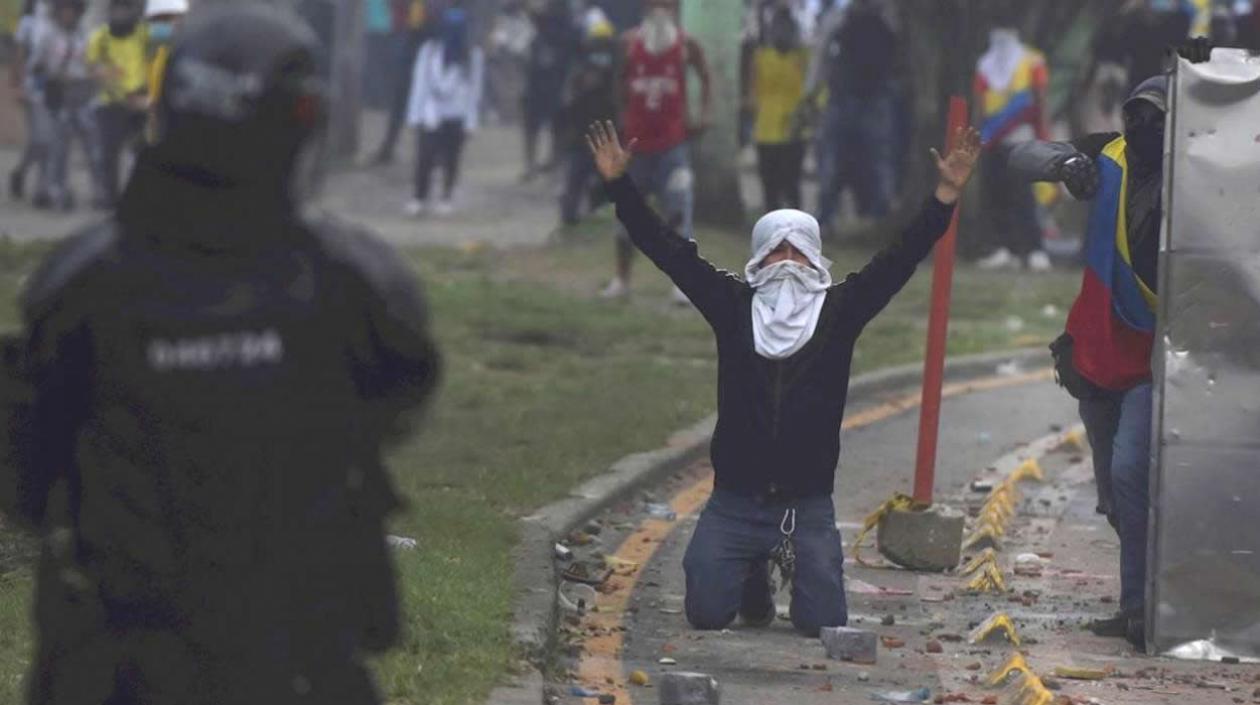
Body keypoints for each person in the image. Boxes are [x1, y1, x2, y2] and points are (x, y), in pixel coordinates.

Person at [0, 4, 441, 704]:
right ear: (299, 125)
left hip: (118, 663)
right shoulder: (355, 285)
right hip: (292, 662)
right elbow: (400, 400)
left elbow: (27, 472)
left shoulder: (78, 285)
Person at [587, 118, 980, 636]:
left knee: (822, 622)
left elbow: (899, 258)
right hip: (734, 502)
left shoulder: (840, 312)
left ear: (815, 259)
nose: (787, 263)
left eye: (798, 252)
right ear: (758, 256)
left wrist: (945, 195)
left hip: (805, 506)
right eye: (777, 250)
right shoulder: (731, 305)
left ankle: (787, 560)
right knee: (707, 612)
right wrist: (620, 185)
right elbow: (667, 250)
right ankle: (752, 571)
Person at [1007, 68, 1204, 650]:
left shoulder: (1194, 179)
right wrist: (1066, 164)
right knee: (1116, 497)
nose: (1142, 126)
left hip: (1151, 358)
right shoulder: (1107, 155)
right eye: (1134, 114)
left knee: (1129, 470)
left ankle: (1146, 608)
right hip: (1095, 355)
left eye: (1156, 117)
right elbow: (1020, 156)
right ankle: (1135, 601)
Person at [601, 0, 712, 302]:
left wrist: (704, 114)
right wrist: (621, 118)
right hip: (635, 147)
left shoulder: (686, 44)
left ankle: (683, 283)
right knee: (627, 214)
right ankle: (622, 280)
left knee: (678, 212)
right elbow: (618, 82)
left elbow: (705, 75)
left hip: (672, 145)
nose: (660, 7)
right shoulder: (629, 42)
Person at [812, 0, 900, 233]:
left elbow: (822, 55)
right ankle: (829, 215)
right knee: (839, 160)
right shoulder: (844, 17)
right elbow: (823, 54)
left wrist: (813, 89)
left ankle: (876, 215)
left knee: (872, 160)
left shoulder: (885, 17)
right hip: (851, 97)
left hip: (870, 97)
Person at [972, 20, 1052, 272]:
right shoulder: (984, 64)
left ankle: (1036, 250)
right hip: (992, 139)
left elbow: (1040, 100)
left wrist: (1043, 134)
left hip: (1021, 137)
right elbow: (980, 104)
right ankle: (1004, 249)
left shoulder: (1032, 61)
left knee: (1025, 196)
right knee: (996, 195)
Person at [404, 7, 484, 217]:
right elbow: (419, 84)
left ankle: (446, 197)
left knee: (451, 159)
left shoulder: (473, 56)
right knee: (424, 157)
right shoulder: (429, 51)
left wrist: (471, 121)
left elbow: (475, 91)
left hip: (456, 115)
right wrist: (414, 116)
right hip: (430, 114)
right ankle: (419, 197)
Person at [27, 0, 103, 212]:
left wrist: (91, 76)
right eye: (64, 9)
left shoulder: (86, 37)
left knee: (93, 146)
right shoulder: (48, 35)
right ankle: (55, 190)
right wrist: (52, 75)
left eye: (71, 9)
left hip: (81, 95)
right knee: (57, 147)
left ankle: (100, 191)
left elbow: (95, 64)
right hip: (57, 97)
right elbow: (35, 66)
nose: (67, 14)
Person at [86, 0, 150, 208]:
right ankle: (111, 201)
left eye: (125, 8)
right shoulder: (100, 37)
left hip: (140, 102)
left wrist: (146, 97)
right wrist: (104, 77)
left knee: (142, 152)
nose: (121, 13)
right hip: (111, 104)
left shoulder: (145, 35)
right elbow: (93, 68)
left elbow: (156, 61)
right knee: (109, 155)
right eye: (117, 8)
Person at [747, 6, 808, 212]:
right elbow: (753, 92)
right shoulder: (761, 57)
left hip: (794, 131)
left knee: (791, 186)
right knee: (771, 187)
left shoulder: (802, 58)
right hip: (767, 131)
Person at [559, 17, 618, 225]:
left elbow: (618, 104)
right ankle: (569, 221)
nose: (600, 51)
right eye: (597, 44)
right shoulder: (580, 72)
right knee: (575, 181)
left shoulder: (616, 73)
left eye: (604, 44)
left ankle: (598, 218)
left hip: (606, 137)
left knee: (604, 183)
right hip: (581, 136)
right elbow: (568, 104)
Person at [371, 0, 433, 166]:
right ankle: (390, 147)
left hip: (423, 43)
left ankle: (425, 153)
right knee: (401, 98)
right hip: (409, 40)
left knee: (423, 100)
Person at [521, 0, 576, 181]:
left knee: (557, 127)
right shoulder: (542, 26)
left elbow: (571, 60)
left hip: (556, 82)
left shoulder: (567, 27)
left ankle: (554, 166)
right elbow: (532, 13)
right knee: (533, 126)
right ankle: (531, 165)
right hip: (537, 82)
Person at [9, 0, 53, 203]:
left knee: (49, 139)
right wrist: (17, 84)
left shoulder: (62, 16)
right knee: (40, 138)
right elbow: (19, 53)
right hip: (33, 87)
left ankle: (41, 187)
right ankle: (24, 173)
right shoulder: (28, 22)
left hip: (58, 88)